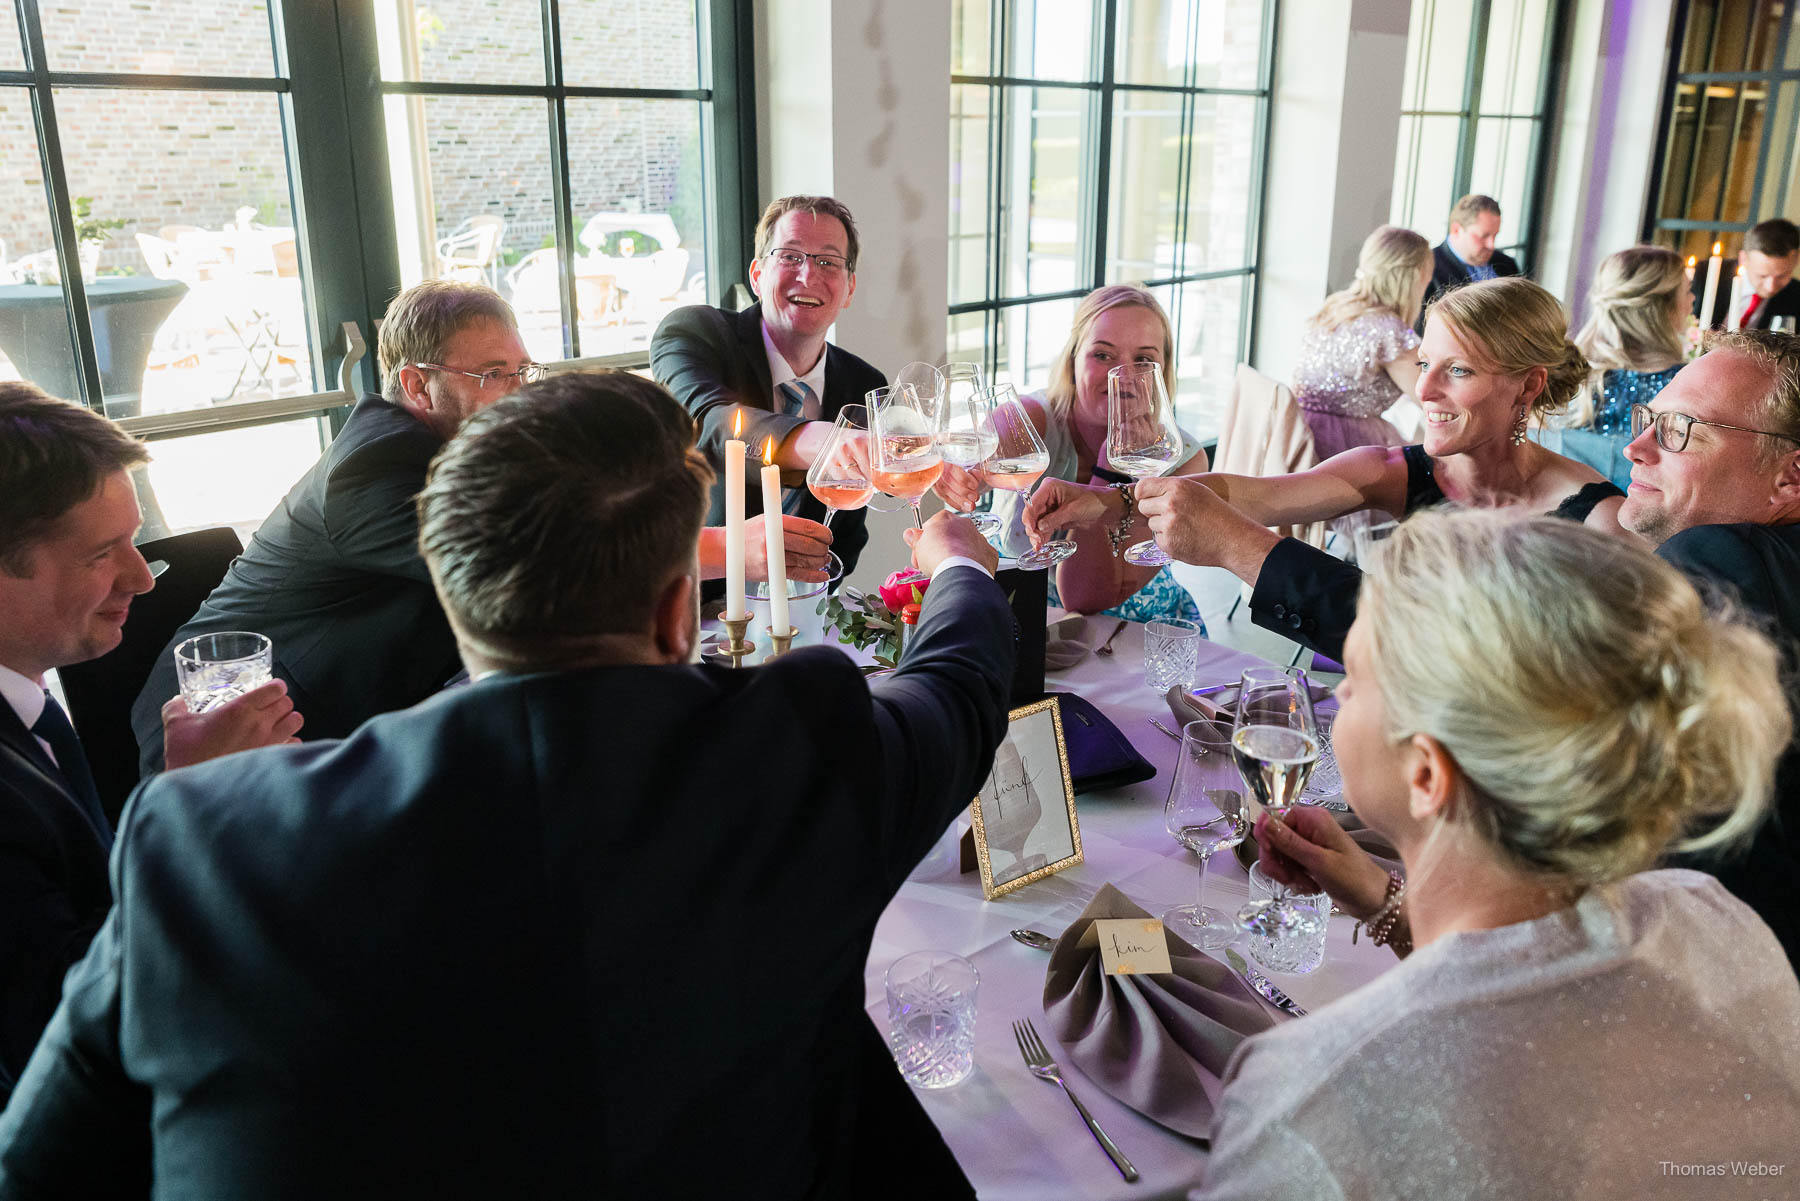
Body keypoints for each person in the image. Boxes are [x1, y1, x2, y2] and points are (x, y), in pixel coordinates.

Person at [0, 373, 1016, 1199]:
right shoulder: (797, 750)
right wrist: (959, 565)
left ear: (452, 589)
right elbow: (959, 697)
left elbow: (45, 1165)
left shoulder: (199, 837)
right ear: (679, 613)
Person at [1195, 508, 1800, 1200]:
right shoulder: (1719, 922)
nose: (1335, 694)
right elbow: (1543, 1009)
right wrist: (1381, 897)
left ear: (1427, 774)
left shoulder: (1310, 1098)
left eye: (1356, 681)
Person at [134, 279, 826, 769]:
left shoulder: (479, 448)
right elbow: (525, 560)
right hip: (233, 715)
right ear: (415, 384)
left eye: (522, 369)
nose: (517, 391)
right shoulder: (370, 466)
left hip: (385, 704)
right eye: (494, 373)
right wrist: (724, 547)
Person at [1030, 277, 1626, 650]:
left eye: (1459, 370)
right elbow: (1248, 493)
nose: (1426, 391)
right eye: (1426, 365)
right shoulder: (1398, 470)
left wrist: (1234, 545)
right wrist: (1106, 501)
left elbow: (1461, 655)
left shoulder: (1599, 528)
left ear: (1529, 386)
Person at [0, 383, 298, 1101]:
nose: (141, 575)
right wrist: (188, 807)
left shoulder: (29, 702)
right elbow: (73, 1029)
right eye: (103, 552)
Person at [652, 195, 885, 584]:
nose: (808, 276)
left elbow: (873, 497)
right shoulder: (694, 332)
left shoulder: (866, 384)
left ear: (849, 289)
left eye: (827, 262)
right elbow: (709, 422)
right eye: (791, 256)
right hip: (694, 608)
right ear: (757, 275)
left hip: (809, 610)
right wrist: (825, 442)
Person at [947, 284, 1208, 623]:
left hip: (1135, 626)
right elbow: (972, 470)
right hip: (1014, 611)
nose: (1123, 376)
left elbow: (1083, 597)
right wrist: (959, 479)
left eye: (1143, 360)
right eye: (1103, 355)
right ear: (1073, 359)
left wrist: (1110, 469)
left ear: (1162, 371)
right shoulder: (1029, 419)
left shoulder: (1184, 460)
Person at [1289, 226, 1432, 535]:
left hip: (1300, 436)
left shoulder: (1337, 307)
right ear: (1415, 278)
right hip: (1341, 446)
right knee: (1427, 487)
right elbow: (1430, 396)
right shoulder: (1388, 330)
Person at [1559, 245, 1690, 489]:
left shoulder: (1566, 372)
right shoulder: (1681, 384)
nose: (1692, 301)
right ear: (1662, 308)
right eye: (1687, 291)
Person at [1422, 193, 1521, 319]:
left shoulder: (1507, 264)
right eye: (1483, 236)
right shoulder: (1428, 269)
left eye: (1495, 235)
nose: (1491, 245)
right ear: (1456, 230)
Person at [1705, 217, 1800, 331]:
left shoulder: (1796, 296)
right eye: (1762, 276)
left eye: (1782, 276)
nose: (1771, 287)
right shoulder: (1706, 275)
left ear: (1797, 260)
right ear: (1743, 259)